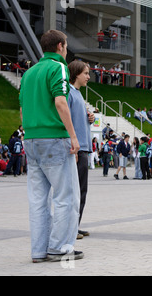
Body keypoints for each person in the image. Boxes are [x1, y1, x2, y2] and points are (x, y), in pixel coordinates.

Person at [19, 30, 83, 263]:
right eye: (66, 46)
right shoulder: (58, 67)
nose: (66, 50)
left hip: (31, 139)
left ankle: (38, 250)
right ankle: (59, 247)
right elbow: (60, 101)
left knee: (37, 200)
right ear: (60, 46)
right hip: (54, 138)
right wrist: (73, 136)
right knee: (66, 196)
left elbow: (23, 109)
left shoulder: (29, 73)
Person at [67, 60, 95, 240]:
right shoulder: (69, 93)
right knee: (75, 191)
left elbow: (77, 118)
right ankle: (70, 228)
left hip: (84, 147)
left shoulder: (78, 94)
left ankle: (75, 225)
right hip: (78, 149)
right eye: (85, 73)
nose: (88, 77)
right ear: (76, 73)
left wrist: (89, 118)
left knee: (81, 191)